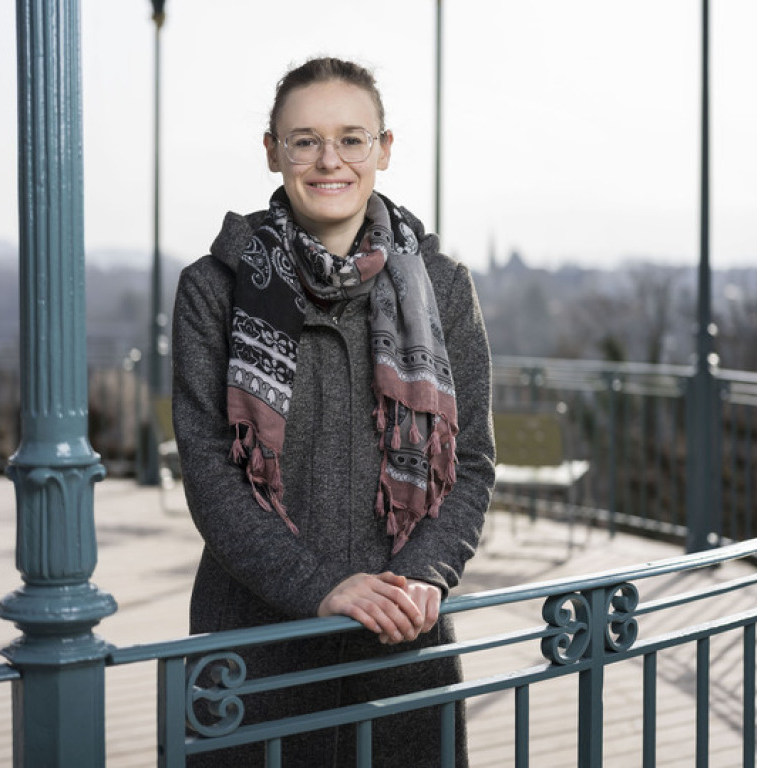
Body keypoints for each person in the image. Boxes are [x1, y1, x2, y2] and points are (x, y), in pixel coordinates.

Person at [171, 56, 495, 767]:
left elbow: (469, 463)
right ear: (272, 151)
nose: (330, 160)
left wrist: (425, 575)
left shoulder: (443, 287)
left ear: (384, 148)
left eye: (352, 139)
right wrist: (318, 588)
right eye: (305, 140)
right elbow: (210, 473)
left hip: (402, 640)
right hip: (256, 649)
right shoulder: (213, 289)